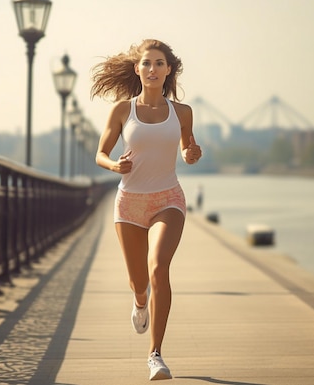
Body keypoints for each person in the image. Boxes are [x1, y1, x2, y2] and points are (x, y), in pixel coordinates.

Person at [91, 38, 202, 381]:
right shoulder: (123, 110)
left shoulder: (182, 112)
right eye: (147, 64)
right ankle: (140, 302)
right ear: (137, 69)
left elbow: (187, 146)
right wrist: (114, 167)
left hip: (168, 199)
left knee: (158, 269)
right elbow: (100, 153)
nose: (152, 69)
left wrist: (191, 153)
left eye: (159, 63)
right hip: (129, 203)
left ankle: (155, 354)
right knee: (139, 282)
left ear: (169, 70)